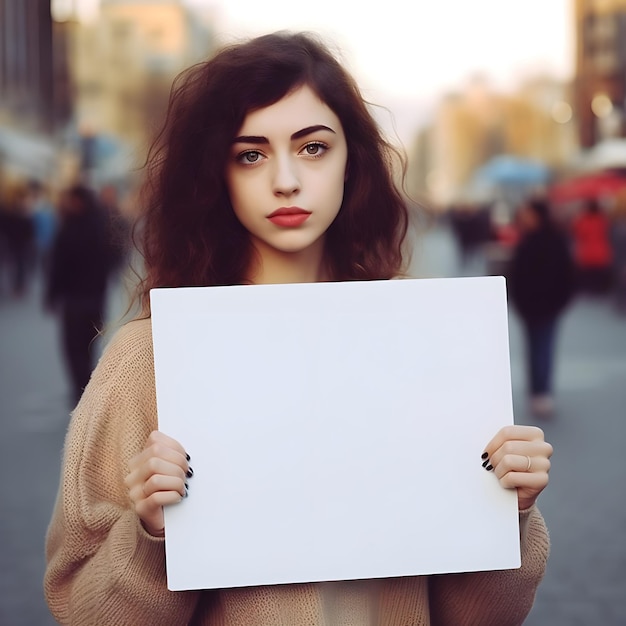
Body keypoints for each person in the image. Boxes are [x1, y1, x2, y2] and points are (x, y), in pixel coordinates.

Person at [44, 32, 553, 626]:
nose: (285, 180)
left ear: (351, 161)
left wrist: (505, 512)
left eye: (313, 148)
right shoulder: (150, 359)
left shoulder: (424, 340)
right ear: (216, 173)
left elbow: (480, 618)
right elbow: (80, 610)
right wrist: (152, 537)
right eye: (250, 154)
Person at [44, 184, 116, 405]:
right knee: (87, 345)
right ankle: (84, 387)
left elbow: (57, 265)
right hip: (94, 297)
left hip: (76, 300)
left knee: (75, 347)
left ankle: (81, 389)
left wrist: (52, 294)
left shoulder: (69, 228)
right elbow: (113, 258)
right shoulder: (100, 226)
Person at [508, 197, 576, 417]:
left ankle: (542, 393)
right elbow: (516, 275)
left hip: (547, 307)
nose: (524, 217)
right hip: (530, 308)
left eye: (527, 213)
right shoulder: (527, 240)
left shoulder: (554, 240)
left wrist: (560, 302)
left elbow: (568, 275)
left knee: (543, 348)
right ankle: (537, 392)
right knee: (534, 349)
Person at [571, 198, 613, 295]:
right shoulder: (604, 220)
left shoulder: (581, 221)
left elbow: (576, 234)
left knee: (587, 276)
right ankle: (600, 290)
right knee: (599, 275)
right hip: (602, 253)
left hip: (586, 253)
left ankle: (589, 290)